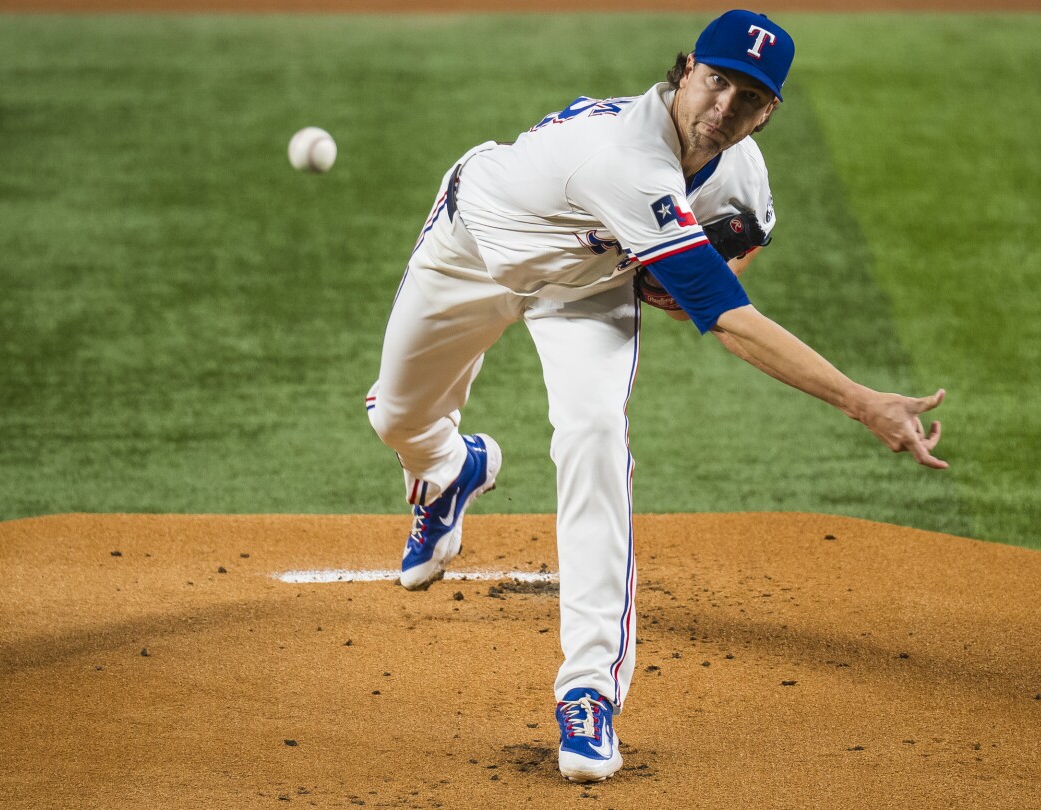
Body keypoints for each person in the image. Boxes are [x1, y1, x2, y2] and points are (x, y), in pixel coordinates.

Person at [365, 9, 947, 784]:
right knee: (397, 417)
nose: (724, 109)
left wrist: (684, 275)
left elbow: (735, 256)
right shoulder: (623, 157)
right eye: (716, 82)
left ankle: (589, 691)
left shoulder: (741, 170)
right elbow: (729, 320)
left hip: (587, 296)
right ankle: (450, 467)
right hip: (473, 253)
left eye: (749, 98)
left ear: (770, 112)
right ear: (684, 70)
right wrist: (860, 400)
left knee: (596, 437)